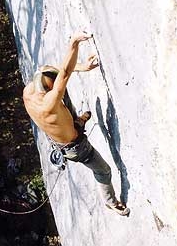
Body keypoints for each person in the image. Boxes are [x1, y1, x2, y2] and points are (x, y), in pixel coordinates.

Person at [22, 31, 130, 216]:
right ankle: (110, 202)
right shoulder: (48, 105)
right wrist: (73, 43)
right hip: (76, 147)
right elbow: (63, 75)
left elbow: (57, 70)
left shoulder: (29, 90)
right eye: (54, 88)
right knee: (103, 171)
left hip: (63, 128)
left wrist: (83, 67)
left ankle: (78, 121)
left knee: (63, 98)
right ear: (49, 89)